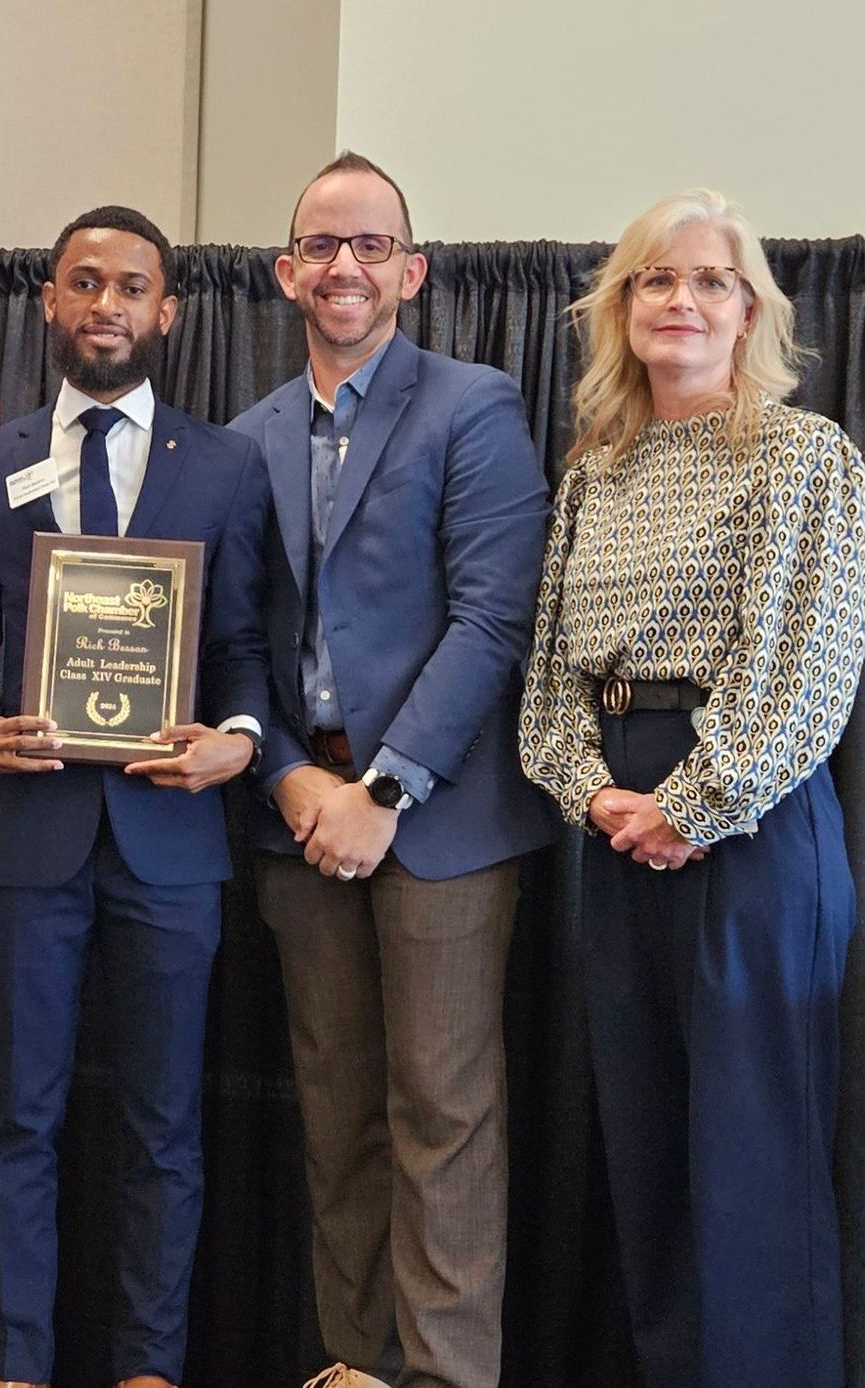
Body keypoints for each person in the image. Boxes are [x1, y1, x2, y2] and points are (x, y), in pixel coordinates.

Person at [519, 188, 865, 1388]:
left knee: (751, 1157)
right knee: (652, 1155)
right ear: (620, 308)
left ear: (752, 310)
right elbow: (551, 683)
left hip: (755, 835)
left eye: (710, 280)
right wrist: (600, 797)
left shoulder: (805, 456)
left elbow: (812, 673)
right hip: (618, 827)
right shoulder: (593, 472)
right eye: (656, 280)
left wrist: (694, 804)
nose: (681, 299)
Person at [230, 153, 554, 1388]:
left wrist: (385, 787)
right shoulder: (248, 435)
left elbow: (493, 623)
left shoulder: (471, 405)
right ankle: (354, 1363)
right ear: (285, 271)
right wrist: (291, 785)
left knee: (444, 1116)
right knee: (337, 1117)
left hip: (438, 821)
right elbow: (235, 642)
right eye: (321, 244)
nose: (344, 267)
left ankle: (446, 1376)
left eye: (371, 245)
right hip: (301, 822)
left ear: (411, 271)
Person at [0, 205, 269, 1388]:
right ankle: (15, 1366)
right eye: (86, 282)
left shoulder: (226, 463)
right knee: (16, 1120)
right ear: (49, 300)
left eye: (133, 286)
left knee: (162, 1127)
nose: (108, 304)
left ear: (167, 311)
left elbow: (240, 650)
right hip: (29, 835)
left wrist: (238, 739)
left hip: (172, 839)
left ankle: (147, 1370)